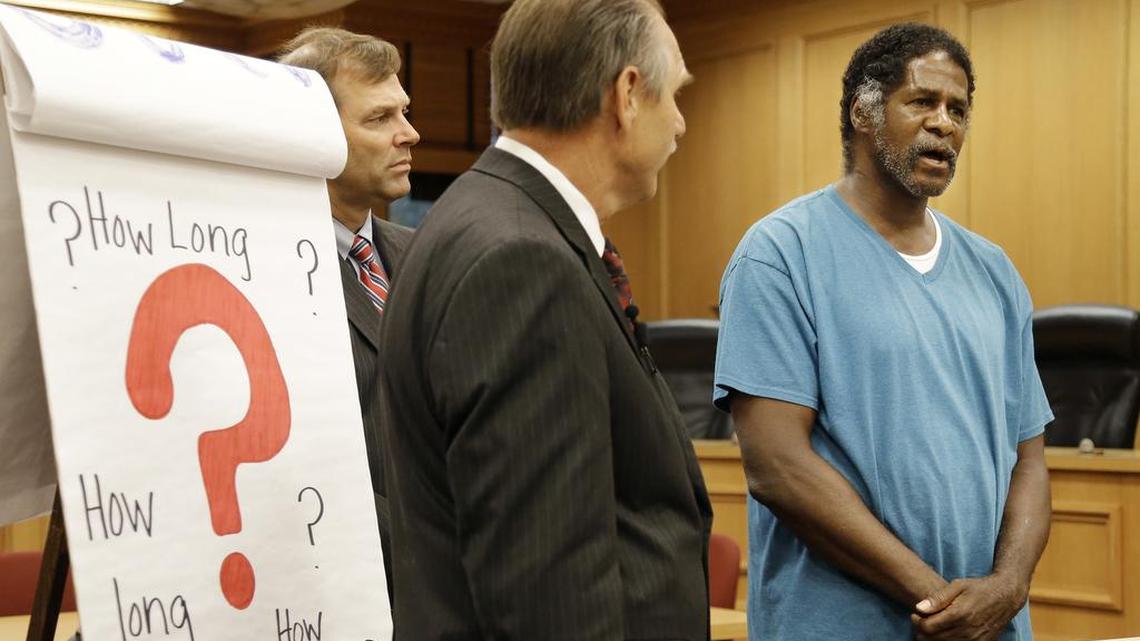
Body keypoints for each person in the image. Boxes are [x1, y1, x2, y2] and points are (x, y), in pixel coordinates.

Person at [377, 0, 713, 639]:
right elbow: (550, 595)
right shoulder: (522, 260)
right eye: (674, 94)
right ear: (627, 95)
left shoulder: (478, 218)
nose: (679, 123)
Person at [714, 22, 1053, 641]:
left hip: (990, 626)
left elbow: (1029, 460)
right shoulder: (780, 254)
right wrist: (942, 604)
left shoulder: (995, 272)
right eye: (922, 101)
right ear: (862, 114)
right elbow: (778, 468)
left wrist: (1007, 588)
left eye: (958, 110)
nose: (944, 124)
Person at [277, 27, 420, 598]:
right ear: (311, 133)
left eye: (404, 112)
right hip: (329, 588)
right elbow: (296, 461)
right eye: (380, 118)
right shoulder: (262, 265)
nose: (409, 133)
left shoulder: (423, 255)